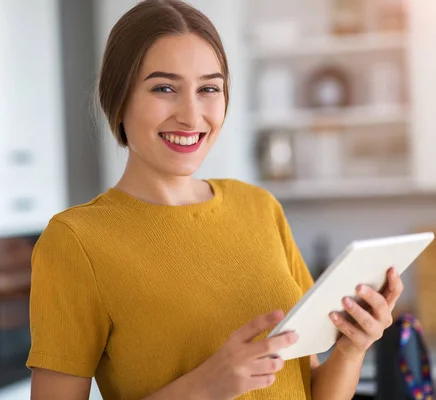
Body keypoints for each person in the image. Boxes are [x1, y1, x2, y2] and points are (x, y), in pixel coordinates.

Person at [26, 1, 404, 399]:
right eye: (164, 88)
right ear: (118, 98)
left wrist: (351, 347)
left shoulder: (258, 207)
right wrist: (203, 388)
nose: (191, 116)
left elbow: (310, 390)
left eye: (208, 89)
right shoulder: (76, 241)